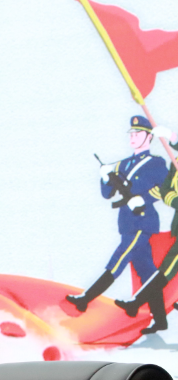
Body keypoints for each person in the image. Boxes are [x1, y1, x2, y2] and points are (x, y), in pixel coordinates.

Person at [67, 117, 167, 319]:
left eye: (138, 134)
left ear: (149, 137)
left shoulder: (156, 163)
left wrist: (143, 199)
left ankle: (86, 299)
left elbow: (166, 188)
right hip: (126, 222)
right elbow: (107, 194)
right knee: (146, 270)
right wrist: (105, 177)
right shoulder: (123, 164)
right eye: (131, 134)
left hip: (143, 220)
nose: (133, 137)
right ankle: (160, 319)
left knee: (119, 259)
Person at [117, 125, 178, 334]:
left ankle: (136, 302)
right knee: (167, 269)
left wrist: (172, 137)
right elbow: (166, 190)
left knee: (167, 269)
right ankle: (142, 307)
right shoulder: (175, 163)